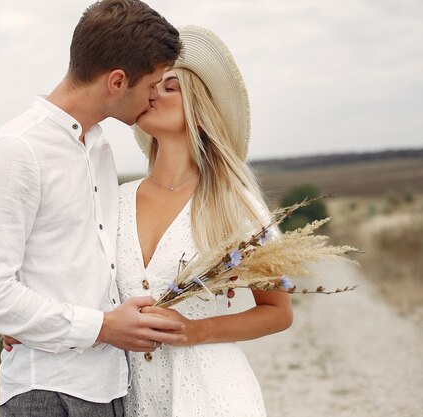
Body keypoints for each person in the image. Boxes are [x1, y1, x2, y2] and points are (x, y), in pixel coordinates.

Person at [0, 1, 186, 416]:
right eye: (153, 84)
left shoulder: (98, 147)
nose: (156, 96)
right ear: (118, 81)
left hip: (112, 386)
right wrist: (103, 326)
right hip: (46, 393)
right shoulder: (16, 152)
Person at [116, 26, 294, 416]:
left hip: (214, 397)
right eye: (152, 85)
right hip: (130, 400)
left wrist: (194, 331)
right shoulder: (114, 203)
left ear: (198, 113)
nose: (153, 93)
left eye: (170, 87)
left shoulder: (234, 204)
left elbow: (279, 311)